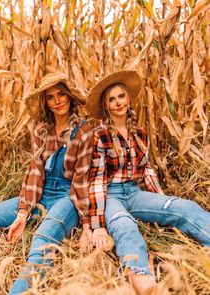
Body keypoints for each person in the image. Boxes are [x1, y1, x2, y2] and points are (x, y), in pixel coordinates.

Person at [86, 69, 210, 295]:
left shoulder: (139, 133)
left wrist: (162, 202)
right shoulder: (100, 135)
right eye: (111, 100)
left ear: (128, 98)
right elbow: (96, 180)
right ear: (106, 106)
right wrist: (98, 226)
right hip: (110, 194)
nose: (117, 103)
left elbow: (147, 170)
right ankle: (141, 277)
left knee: (184, 207)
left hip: (134, 193)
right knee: (124, 225)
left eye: (121, 96)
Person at [0, 71, 93, 294]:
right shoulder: (41, 130)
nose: (57, 101)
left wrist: (87, 224)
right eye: (50, 97)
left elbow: (82, 179)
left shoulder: (83, 132)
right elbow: (35, 171)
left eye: (61, 94)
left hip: (67, 198)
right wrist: (23, 212)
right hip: (40, 193)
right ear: (45, 102)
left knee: (41, 243)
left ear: (69, 96)